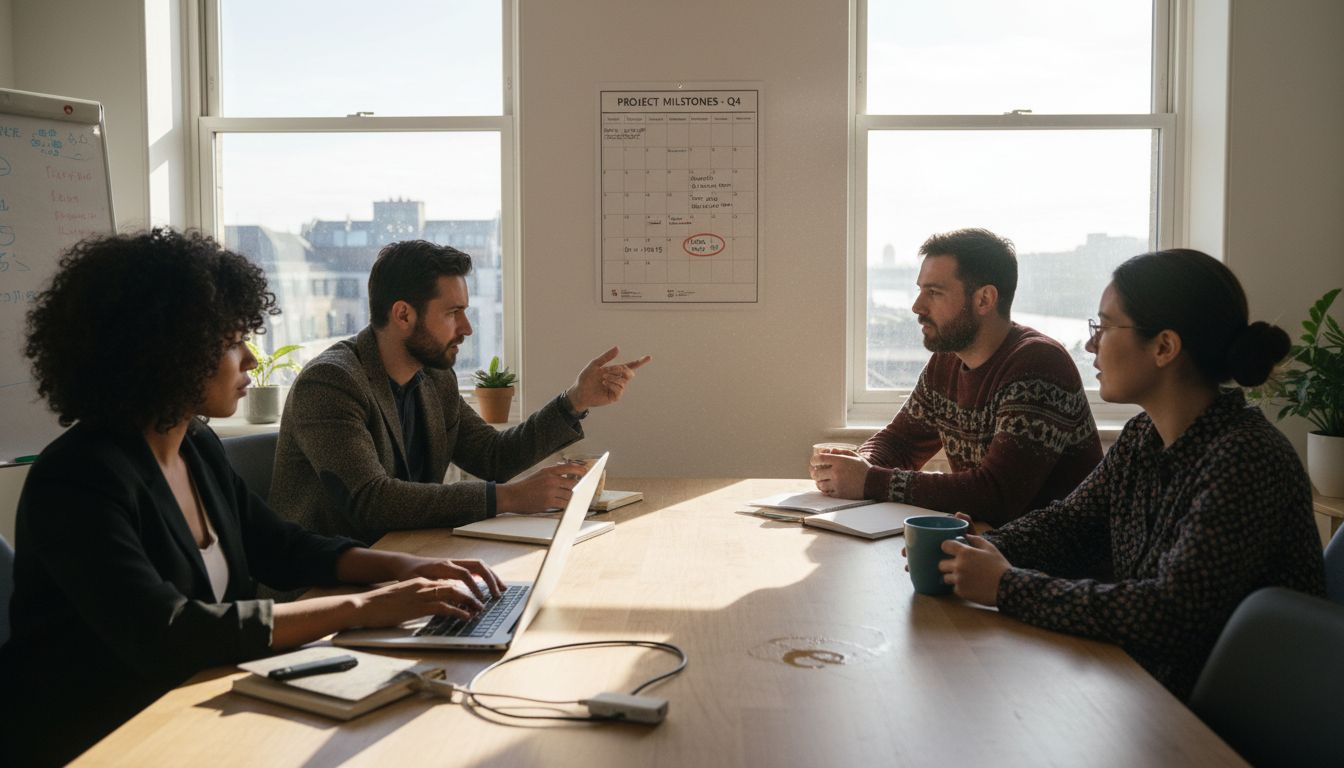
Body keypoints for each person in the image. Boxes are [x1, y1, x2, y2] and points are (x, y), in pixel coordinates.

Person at [0, 229, 507, 766]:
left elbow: (281, 546)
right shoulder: (78, 479)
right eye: (231, 342)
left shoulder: (195, 445)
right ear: (164, 352)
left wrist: (407, 568)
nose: (249, 359)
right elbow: (167, 631)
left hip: (198, 707)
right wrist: (365, 607)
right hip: (101, 739)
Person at [937, 248, 1326, 700]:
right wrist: (978, 549)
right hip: (1147, 689)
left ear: (1164, 347)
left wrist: (1006, 586)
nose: (1091, 345)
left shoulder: (1246, 458)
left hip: (1223, 716)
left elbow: (1169, 615)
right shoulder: (1144, 436)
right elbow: (1070, 526)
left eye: (1104, 327)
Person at [272, 240, 651, 543]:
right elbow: (371, 501)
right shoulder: (331, 383)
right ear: (403, 315)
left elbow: (493, 456)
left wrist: (575, 400)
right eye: (453, 312)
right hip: (325, 583)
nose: (467, 328)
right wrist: (510, 497)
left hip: (406, 556)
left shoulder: (434, 378)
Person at [812, 228, 1102, 524]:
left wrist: (869, 480)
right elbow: (901, 441)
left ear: (984, 299)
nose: (917, 306)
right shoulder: (947, 361)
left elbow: (996, 496)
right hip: (988, 543)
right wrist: (856, 465)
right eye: (920, 290)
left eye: (934, 292)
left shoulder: (1038, 364)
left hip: (1054, 552)